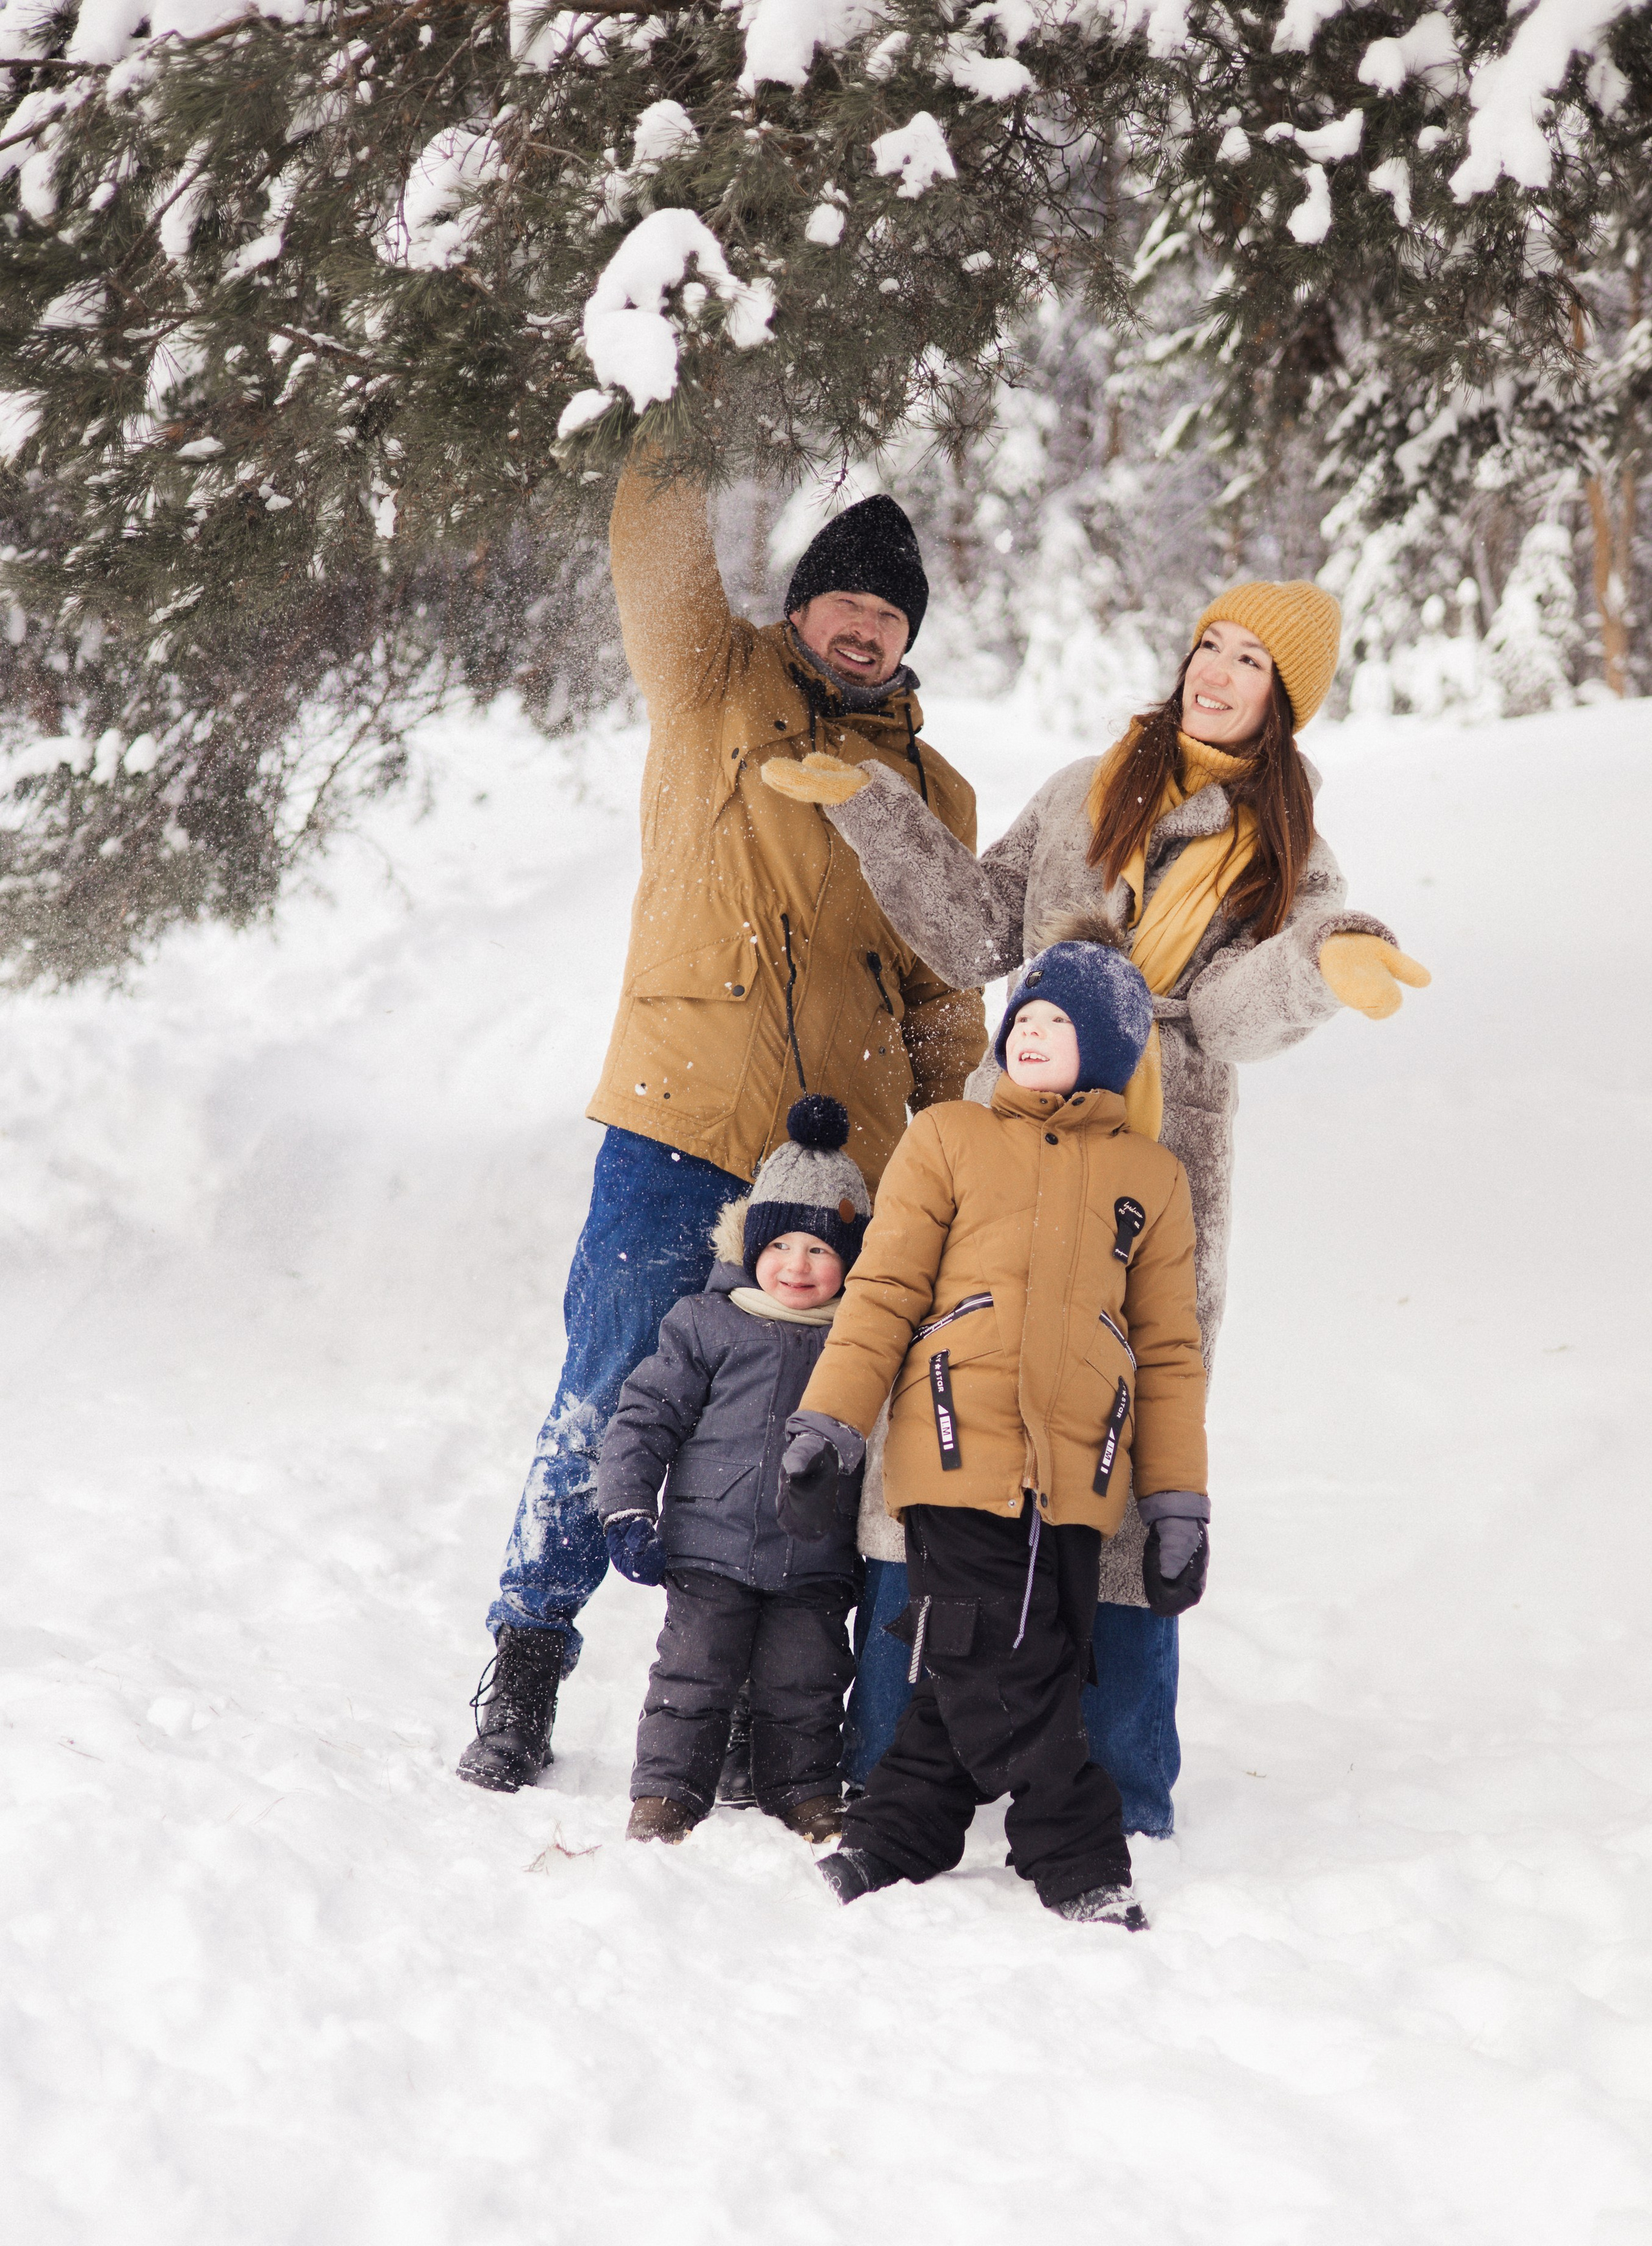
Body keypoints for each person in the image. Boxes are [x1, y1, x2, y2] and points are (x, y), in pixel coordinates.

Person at [762, 580, 1429, 1837]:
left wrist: (1317, 960)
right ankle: (886, 1752)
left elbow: (1228, 1016)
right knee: (944, 1415)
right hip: (1002, 1140)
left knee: (1123, 1454)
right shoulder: (1084, 787)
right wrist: (876, 815)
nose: (1216, 673)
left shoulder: (1287, 851)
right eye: (1208, 645)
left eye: (1249, 663)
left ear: (1283, 700)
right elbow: (971, 931)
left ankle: (1122, 1781)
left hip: (1156, 1161)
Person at [457, 461, 987, 1792]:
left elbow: (939, 998)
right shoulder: (714, 686)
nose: (864, 629)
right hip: (682, 1114)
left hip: (841, 1167)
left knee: (808, 1428)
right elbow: (657, 560)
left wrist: (950, 1153)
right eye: (843, 603)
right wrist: (667, 416)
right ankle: (526, 1654)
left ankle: (771, 1701)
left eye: (889, 616)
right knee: (612, 1381)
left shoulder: (934, 787)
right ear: (800, 607)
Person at [776, 935, 1208, 1928]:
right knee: (1002, 1645)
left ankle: (898, 1835)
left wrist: (1179, 1503)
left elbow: (1170, 1351)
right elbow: (883, 1289)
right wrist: (831, 1421)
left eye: (1059, 1025)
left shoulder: (1153, 1178)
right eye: (1026, 1020)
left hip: (1081, 1468)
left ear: (1107, 1051)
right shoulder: (949, 1138)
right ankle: (1077, 1854)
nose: (1032, 1036)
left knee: (1002, 1654)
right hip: (955, 1439)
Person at [597, 1098, 869, 1846]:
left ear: (850, 1258)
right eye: (780, 1243)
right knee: (693, 1673)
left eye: (820, 1249)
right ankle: (665, 1793)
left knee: (806, 1682)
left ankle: (804, 1790)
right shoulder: (705, 1322)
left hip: (815, 1555)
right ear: (749, 1244)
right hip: (708, 1544)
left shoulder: (860, 1344)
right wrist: (627, 1508)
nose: (798, 1265)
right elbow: (646, 1416)